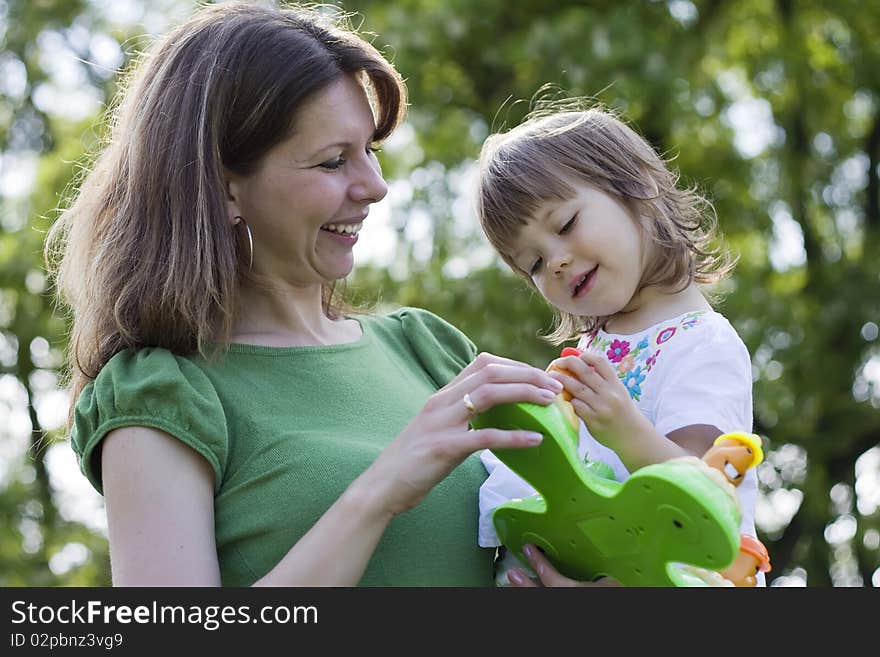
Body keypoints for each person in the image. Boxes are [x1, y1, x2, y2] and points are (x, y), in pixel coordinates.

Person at [43, 1, 566, 586]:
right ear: (224, 189)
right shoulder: (165, 395)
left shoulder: (427, 350)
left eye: (371, 150)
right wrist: (379, 491)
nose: (375, 186)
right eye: (332, 161)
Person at [474, 102, 763, 587]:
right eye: (535, 265)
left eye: (565, 224)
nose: (557, 263)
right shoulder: (590, 355)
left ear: (638, 187)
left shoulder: (703, 345)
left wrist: (623, 428)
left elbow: (705, 492)